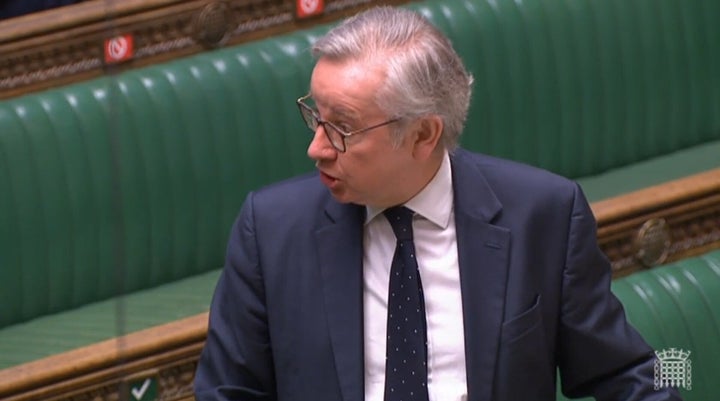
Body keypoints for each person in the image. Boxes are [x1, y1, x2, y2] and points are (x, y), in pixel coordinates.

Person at [194, 6, 682, 401]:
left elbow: (628, 376)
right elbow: (226, 391)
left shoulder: (543, 214)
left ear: (423, 134)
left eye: (341, 128)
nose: (317, 148)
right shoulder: (272, 229)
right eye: (314, 118)